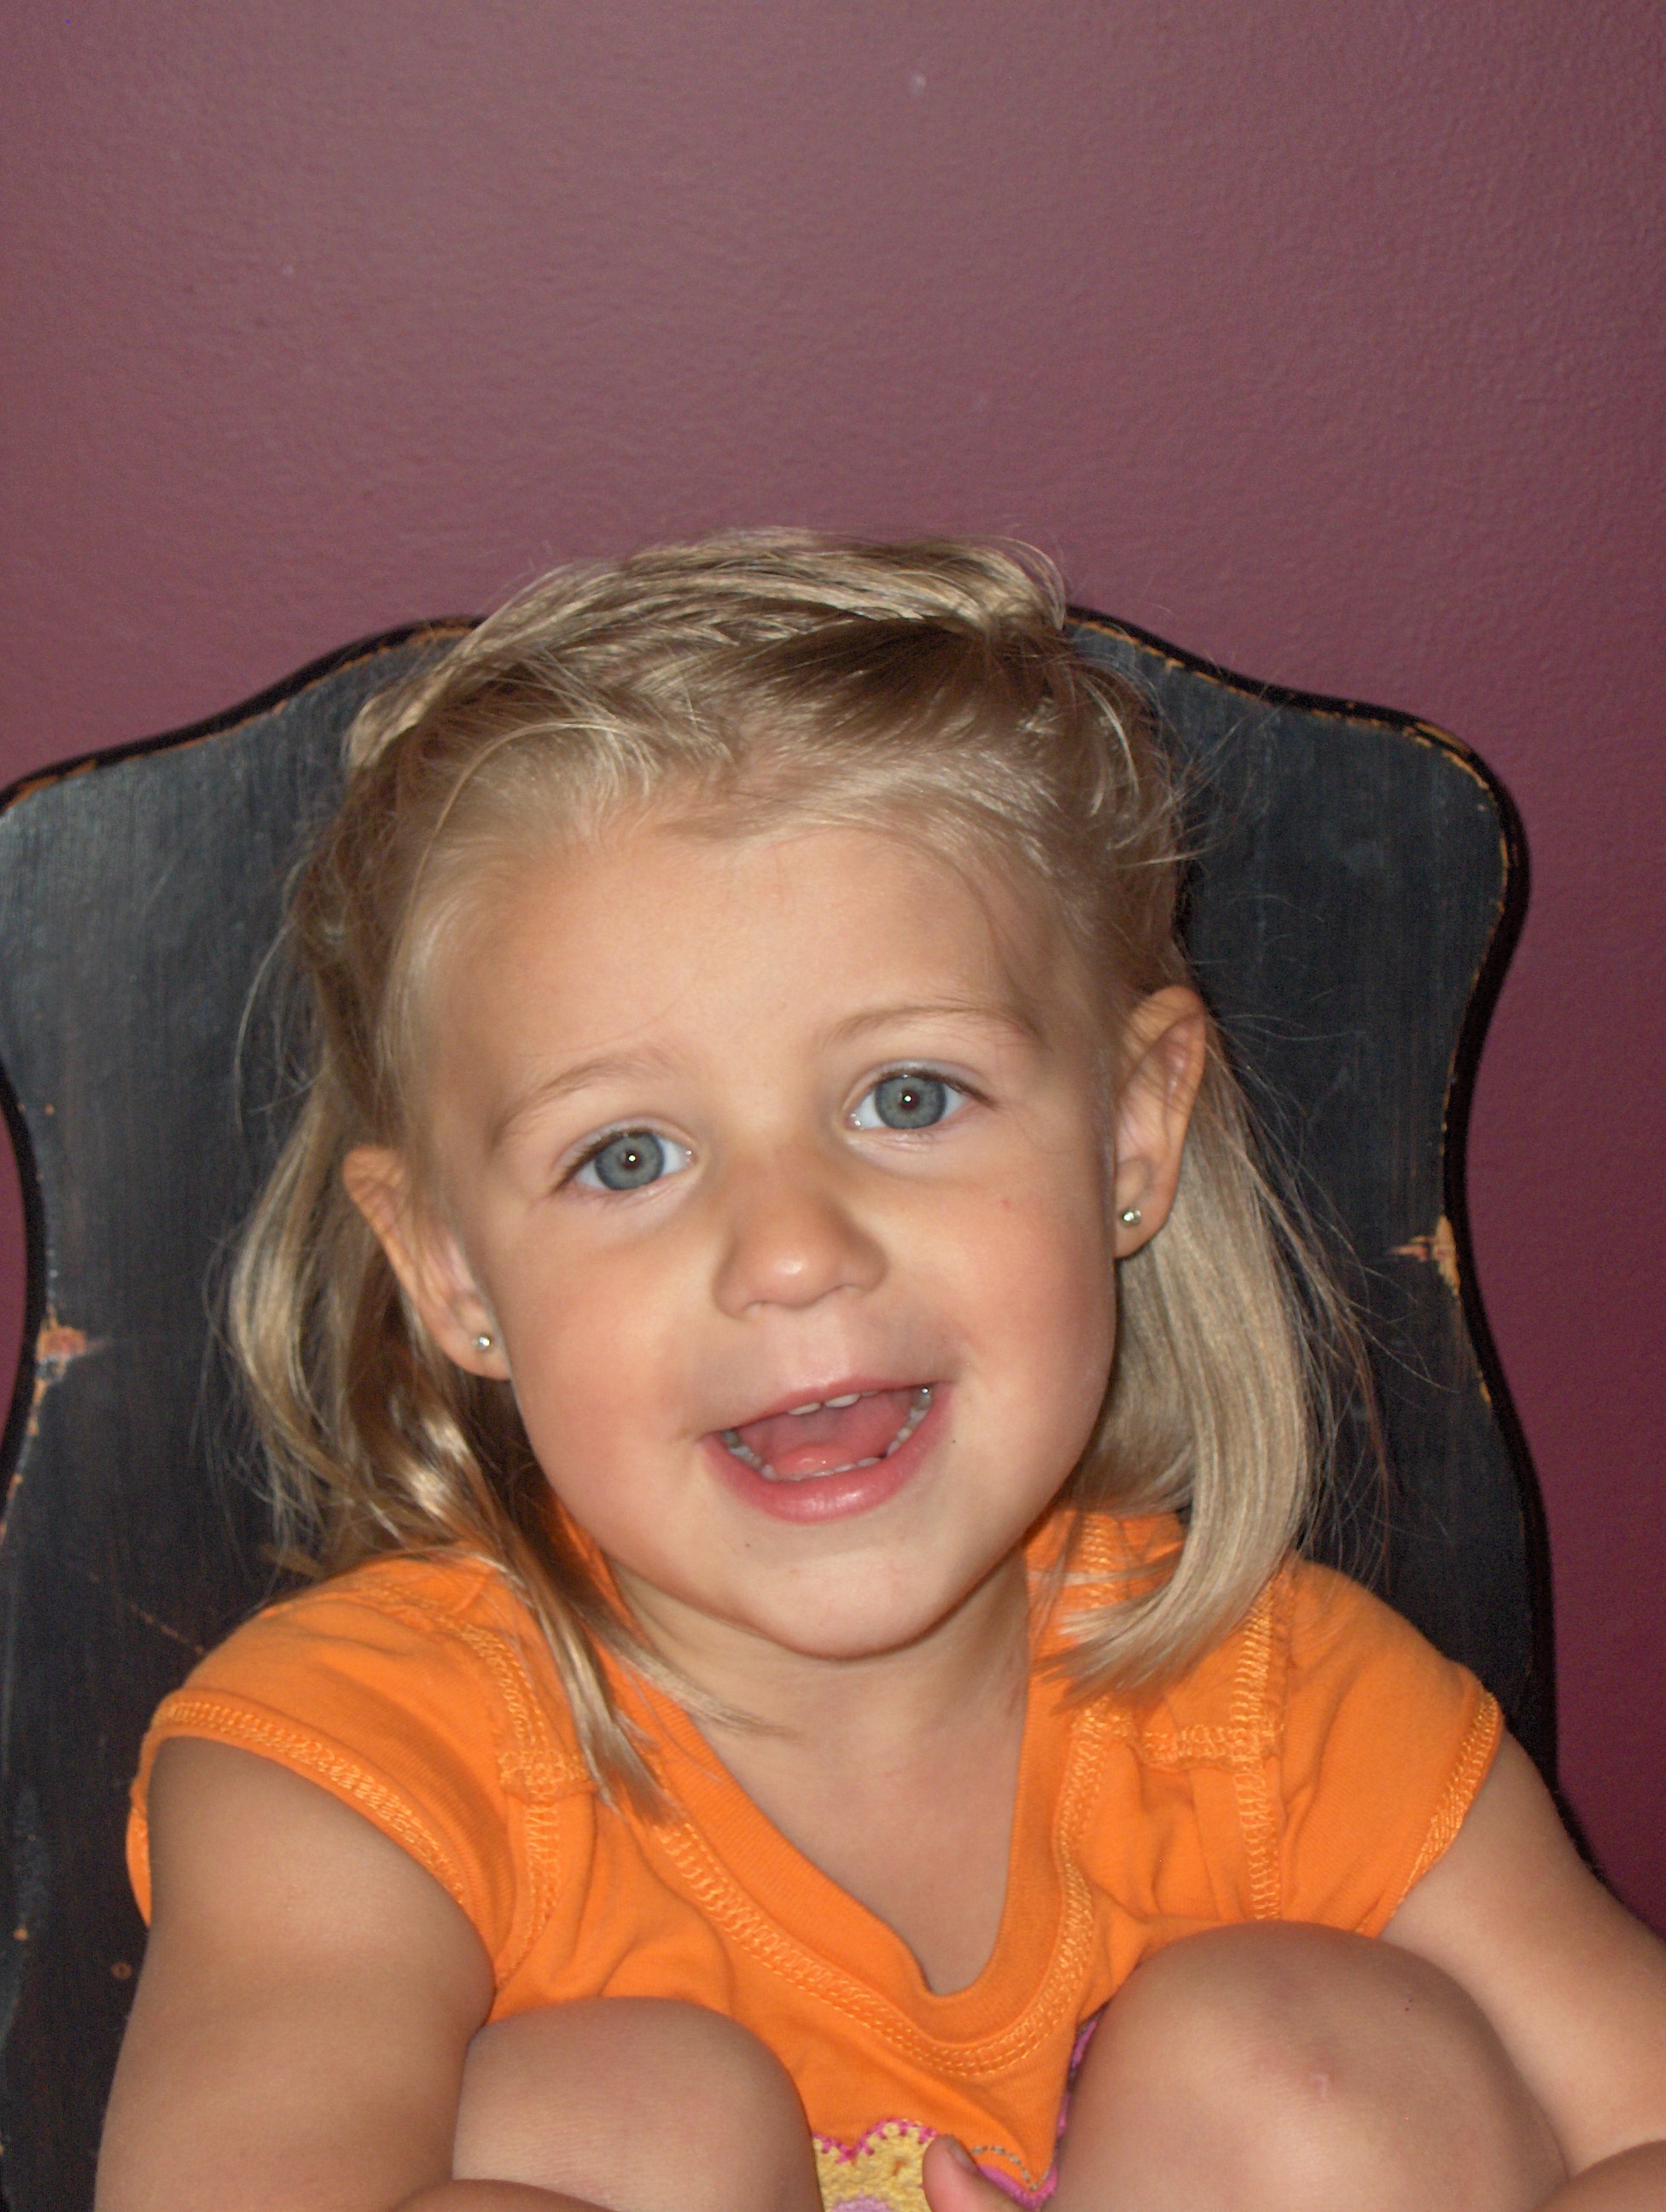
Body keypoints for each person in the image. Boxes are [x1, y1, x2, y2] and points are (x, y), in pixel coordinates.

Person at [98, 535, 1666, 2212]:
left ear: (1130, 1138)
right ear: (454, 1275)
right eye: (627, 1156)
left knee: (1306, 2064)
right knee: (631, 2115)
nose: (789, 1251)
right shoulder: (354, 1772)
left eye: (907, 1098)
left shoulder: (1289, 1719)